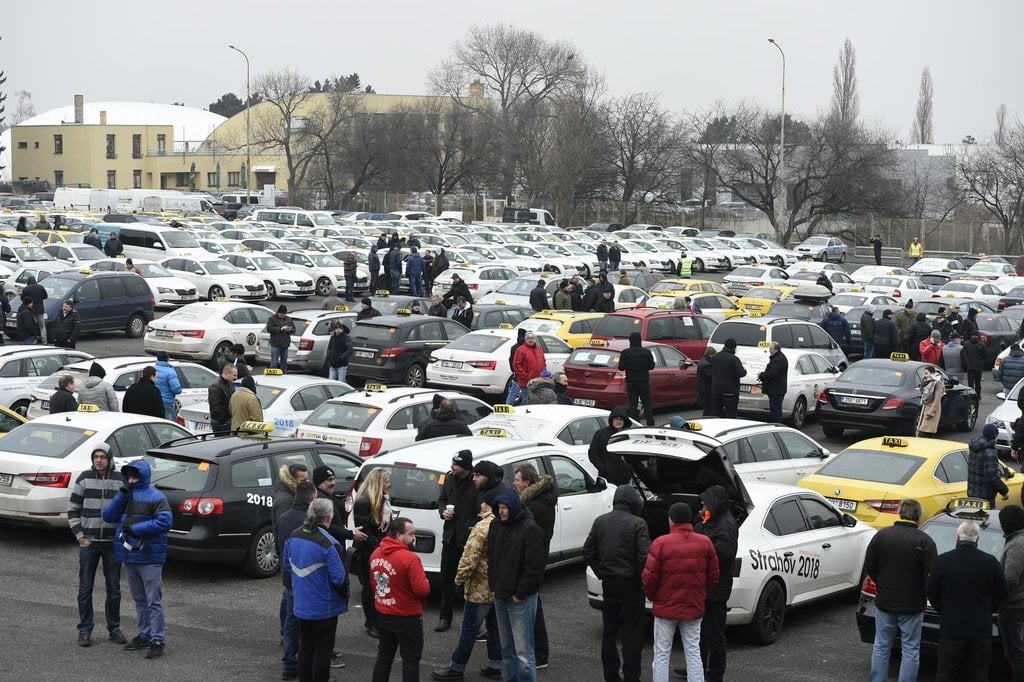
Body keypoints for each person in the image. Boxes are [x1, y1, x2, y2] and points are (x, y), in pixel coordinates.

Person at [431, 488, 505, 681]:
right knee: (495, 628)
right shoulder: (505, 524)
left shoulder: (482, 527)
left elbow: (469, 558)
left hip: (479, 588)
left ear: (488, 504)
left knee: (469, 629)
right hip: (498, 588)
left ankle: (456, 668)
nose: (480, 504)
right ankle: (495, 666)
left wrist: (459, 580)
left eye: (483, 502)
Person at [101, 458, 172, 659]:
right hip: (130, 556)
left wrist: (135, 528)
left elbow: (165, 521)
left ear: (143, 475)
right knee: (140, 600)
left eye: (135, 474)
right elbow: (108, 515)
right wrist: (122, 494)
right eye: (129, 474)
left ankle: (158, 640)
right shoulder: (125, 495)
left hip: (149, 557)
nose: (131, 478)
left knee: (153, 601)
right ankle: (144, 635)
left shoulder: (156, 497)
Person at [864, 498, 938, 682]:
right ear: (918, 516)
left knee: (881, 646)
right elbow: (932, 575)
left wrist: (882, 583)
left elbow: (870, 566)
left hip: (885, 601)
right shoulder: (925, 541)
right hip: (912, 605)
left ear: (900, 512)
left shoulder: (882, 536)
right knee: (911, 649)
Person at [643, 502, 719, 682]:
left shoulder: (660, 543)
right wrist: (701, 595)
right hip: (693, 606)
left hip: (665, 608)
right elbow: (713, 577)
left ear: (671, 520)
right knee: (693, 652)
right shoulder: (705, 542)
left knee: (661, 653)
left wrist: (654, 598)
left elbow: (649, 578)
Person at [584, 484, 651, 682]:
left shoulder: (600, 522)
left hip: (609, 584)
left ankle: (611, 675)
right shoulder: (638, 523)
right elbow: (644, 557)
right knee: (632, 633)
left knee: (610, 631)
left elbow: (588, 551)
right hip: (631, 585)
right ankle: (632, 676)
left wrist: (601, 572)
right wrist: (641, 580)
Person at [927, 520, 1006, 682]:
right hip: (980, 628)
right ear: (978, 539)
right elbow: (1002, 592)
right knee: (978, 674)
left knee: (946, 673)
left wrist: (942, 609)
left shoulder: (943, 561)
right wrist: (989, 609)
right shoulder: (991, 562)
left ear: (958, 537)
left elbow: (930, 589)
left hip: (951, 627)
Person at [281, 498, 349, 682]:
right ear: (329, 517)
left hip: (302, 604)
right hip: (324, 606)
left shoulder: (293, 536)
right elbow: (339, 578)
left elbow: (287, 565)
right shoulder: (329, 543)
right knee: (323, 651)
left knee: (305, 647)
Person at [68, 443, 126, 647]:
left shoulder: (120, 480)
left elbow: (127, 511)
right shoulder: (84, 478)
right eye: (96, 457)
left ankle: (114, 628)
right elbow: (73, 509)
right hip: (89, 543)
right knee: (85, 588)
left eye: (103, 457)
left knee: (114, 589)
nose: (99, 460)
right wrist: (80, 536)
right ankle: (84, 630)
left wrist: (121, 536)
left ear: (110, 459)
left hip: (112, 544)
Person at [488, 487, 545, 681]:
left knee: (523, 652)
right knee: (508, 649)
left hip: (519, 599)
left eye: (505, 507)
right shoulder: (495, 526)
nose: (501, 511)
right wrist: (493, 585)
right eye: (499, 507)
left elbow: (535, 567)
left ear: (513, 506)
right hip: (500, 595)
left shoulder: (530, 528)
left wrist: (520, 593)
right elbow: (492, 557)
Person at [370, 517, 431, 682]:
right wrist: (426, 581)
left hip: (384, 615)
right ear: (398, 535)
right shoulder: (410, 559)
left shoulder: (375, 554)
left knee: (384, 658)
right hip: (408, 619)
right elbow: (422, 589)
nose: (414, 538)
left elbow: (374, 584)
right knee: (410, 662)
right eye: (411, 534)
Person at [514, 463, 557, 669]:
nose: (514, 484)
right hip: (535, 559)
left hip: (533, 561)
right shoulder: (536, 501)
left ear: (527, 482)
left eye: (517, 480)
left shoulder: (534, 506)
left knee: (532, 606)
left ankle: (540, 654)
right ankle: (537, 652)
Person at [433, 449, 479, 634]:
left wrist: (471, 526)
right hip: (450, 537)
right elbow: (441, 499)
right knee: (446, 578)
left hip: (469, 538)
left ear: (466, 467)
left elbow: (480, 509)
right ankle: (445, 617)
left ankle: (474, 621)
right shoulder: (449, 478)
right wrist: (443, 510)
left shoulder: (476, 482)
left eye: (456, 464)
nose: (452, 467)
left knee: (470, 580)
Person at [274, 480, 316, 681]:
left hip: (288, 575)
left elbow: (278, 547)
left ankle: (289, 664)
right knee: (309, 623)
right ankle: (309, 665)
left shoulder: (283, 518)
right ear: (312, 498)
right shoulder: (310, 520)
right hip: (306, 578)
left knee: (291, 620)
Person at [353, 468, 392, 639]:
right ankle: (371, 622)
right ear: (378, 483)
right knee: (369, 587)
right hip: (368, 552)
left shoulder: (384, 500)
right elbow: (364, 532)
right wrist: (381, 545)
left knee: (381, 585)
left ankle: (379, 619)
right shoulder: (364, 502)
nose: (389, 484)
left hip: (380, 549)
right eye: (386, 481)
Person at [1000, 506, 1024, 682]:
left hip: (1014, 607)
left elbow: (1009, 579)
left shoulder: (1017, 544)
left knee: (1016, 654)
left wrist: (994, 596)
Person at [618, 331, 656, 426]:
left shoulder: (625, 353)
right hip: (644, 382)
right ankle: (650, 422)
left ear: (630, 341)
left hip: (631, 382)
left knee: (633, 404)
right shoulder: (647, 352)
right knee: (647, 403)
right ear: (640, 340)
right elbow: (651, 366)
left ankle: (635, 423)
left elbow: (621, 367)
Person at [969, 423, 1010, 508]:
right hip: (985, 496)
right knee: (987, 519)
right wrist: (1004, 492)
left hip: (972, 493)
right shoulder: (989, 452)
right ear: (995, 436)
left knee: (974, 519)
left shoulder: (975, 447)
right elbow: (992, 476)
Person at [588, 406, 632, 485]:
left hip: (626, 478)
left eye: (621, 419)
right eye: (616, 419)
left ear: (625, 421)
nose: (618, 421)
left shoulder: (628, 434)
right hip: (608, 479)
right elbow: (593, 454)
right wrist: (603, 468)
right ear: (612, 419)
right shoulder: (601, 434)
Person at [710, 338, 746, 418]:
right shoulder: (734, 359)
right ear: (734, 347)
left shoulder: (715, 357)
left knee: (715, 412)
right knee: (731, 412)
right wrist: (745, 370)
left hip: (716, 389)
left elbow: (711, 370)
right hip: (730, 391)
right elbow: (741, 373)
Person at [512, 331, 546, 406]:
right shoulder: (521, 350)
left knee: (537, 399)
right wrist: (526, 376)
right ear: (525, 340)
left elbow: (543, 362)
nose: (531, 340)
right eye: (528, 338)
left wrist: (543, 373)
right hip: (526, 382)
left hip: (538, 381)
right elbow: (516, 365)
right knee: (526, 400)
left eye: (532, 338)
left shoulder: (539, 349)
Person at [758, 341, 788, 424]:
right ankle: (777, 426)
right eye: (769, 349)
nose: (769, 350)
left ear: (776, 349)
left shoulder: (777, 360)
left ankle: (778, 427)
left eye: (771, 349)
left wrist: (761, 375)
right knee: (775, 410)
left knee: (776, 411)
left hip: (776, 390)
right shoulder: (779, 358)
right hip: (777, 389)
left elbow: (771, 374)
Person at [916, 365, 944, 438]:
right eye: (924, 373)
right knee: (926, 432)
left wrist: (931, 412)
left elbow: (937, 399)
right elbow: (924, 394)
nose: (925, 375)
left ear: (932, 373)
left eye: (926, 373)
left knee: (925, 432)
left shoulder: (938, 383)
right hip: (925, 408)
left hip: (932, 410)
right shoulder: (927, 382)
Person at [207, 364, 237, 434]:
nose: (236, 378)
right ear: (227, 374)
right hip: (221, 424)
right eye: (234, 375)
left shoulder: (230, 383)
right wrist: (225, 420)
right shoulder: (216, 387)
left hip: (227, 421)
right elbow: (216, 408)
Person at [267, 305, 295, 373]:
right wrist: (281, 329)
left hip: (285, 344)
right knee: (274, 363)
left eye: (284, 314)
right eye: (281, 314)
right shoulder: (272, 319)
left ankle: (284, 376)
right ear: (278, 312)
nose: (283, 315)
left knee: (284, 363)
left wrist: (290, 330)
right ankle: (272, 378)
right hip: (275, 344)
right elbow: (269, 328)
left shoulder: (289, 319)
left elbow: (294, 329)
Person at [153, 352, 181, 421]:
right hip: (167, 402)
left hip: (154, 401)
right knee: (170, 424)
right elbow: (176, 389)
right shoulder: (170, 371)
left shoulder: (153, 369)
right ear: (167, 359)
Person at [22, 275, 47, 344]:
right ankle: (44, 340)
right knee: (42, 326)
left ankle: (34, 341)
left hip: (30, 310)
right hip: (40, 309)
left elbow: (23, 298)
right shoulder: (41, 287)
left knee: (33, 326)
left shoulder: (26, 288)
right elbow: (45, 296)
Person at [697, 347, 716, 416]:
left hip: (702, 387)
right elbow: (711, 375)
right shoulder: (706, 364)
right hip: (706, 388)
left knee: (706, 406)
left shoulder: (703, 360)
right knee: (708, 407)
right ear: (711, 354)